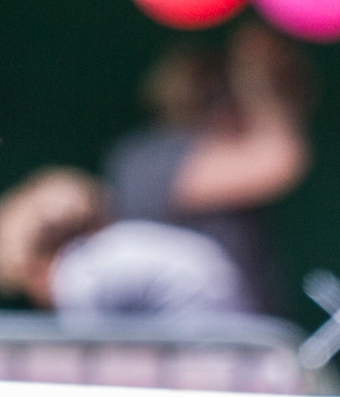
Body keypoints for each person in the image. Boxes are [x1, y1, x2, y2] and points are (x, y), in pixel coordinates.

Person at [105, 24, 312, 314]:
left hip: (228, 327)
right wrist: (257, 78)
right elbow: (278, 159)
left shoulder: (153, 152)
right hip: (190, 331)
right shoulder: (152, 156)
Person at [0, 167, 249, 315]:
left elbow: (93, 368)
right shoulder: (123, 242)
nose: (39, 300)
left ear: (36, 262)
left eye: (28, 284)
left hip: (204, 374)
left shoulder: (78, 275)